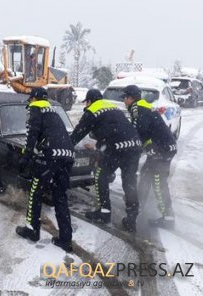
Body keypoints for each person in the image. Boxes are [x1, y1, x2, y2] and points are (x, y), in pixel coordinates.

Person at [70, 89, 142, 232]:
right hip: (134, 146)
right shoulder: (112, 107)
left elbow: (78, 133)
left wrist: (65, 146)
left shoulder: (92, 110)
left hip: (116, 149)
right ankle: (131, 219)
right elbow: (113, 129)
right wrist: (98, 146)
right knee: (129, 182)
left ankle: (104, 212)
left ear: (89, 101)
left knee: (100, 175)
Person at [16, 88, 75, 252]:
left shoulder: (35, 109)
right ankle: (66, 239)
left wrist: (25, 157)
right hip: (67, 156)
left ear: (34, 98)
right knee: (60, 196)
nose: (29, 103)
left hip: (51, 157)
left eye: (30, 100)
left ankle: (32, 230)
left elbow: (31, 135)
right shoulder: (54, 112)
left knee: (36, 191)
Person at [123, 85, 177, 227]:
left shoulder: (137, 108)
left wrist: (130, 148)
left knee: (158, 182)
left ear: (130, 98)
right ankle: (138, 203)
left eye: (124, 98)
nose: (123, 101)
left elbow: (138, 131)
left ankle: (168, 218)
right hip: (160, 147)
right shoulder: (143, 106)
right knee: (146, 174)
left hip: (162, 149)